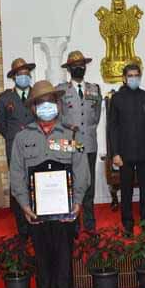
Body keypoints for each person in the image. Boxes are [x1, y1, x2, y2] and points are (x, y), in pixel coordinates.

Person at [9, 80, 89, 288]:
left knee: (64, 259)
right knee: (43, 260)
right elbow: (16, 174)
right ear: (33, 108)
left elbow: (81, 170)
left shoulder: (71, 134)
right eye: (40, 103)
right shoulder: (22, 137)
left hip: (66, 211)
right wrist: (24, 205)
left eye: (50, 102)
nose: (46, 107)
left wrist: (77, 202)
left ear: (58, 104)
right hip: (36, 213)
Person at [107, 63, 145, 235]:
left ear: (140, 77)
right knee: (126, 190)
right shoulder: (116, 99)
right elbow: (112, 128)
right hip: (124, 154)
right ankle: (127, 222)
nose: (133, 78)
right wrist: (115, 153)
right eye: (130, 76)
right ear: (124, 78)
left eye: (136, 75)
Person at [57, 50, 102, 232]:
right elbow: (58, 116)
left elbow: (96, 116)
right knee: (72, 184)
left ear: (85, 67)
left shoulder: (94, 89)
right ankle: (73, 225)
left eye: (81, 65)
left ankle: (90, 224)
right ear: (69, 69)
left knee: (89, 184)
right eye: (75, 66)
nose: (79, 68)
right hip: (70, 145)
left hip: (89, 144)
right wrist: (69, 127)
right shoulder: (61, 90)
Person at [0, 57, 37, 237]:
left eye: (26, 73)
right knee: (19, 185)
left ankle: (37, 222)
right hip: (15, 148)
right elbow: (2, 127)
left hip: (36, 147)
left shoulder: (38, 94)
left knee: (35, 183)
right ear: (13, 77)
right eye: (20, 74)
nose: (24, 76)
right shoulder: (5, 98)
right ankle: (22, 228)